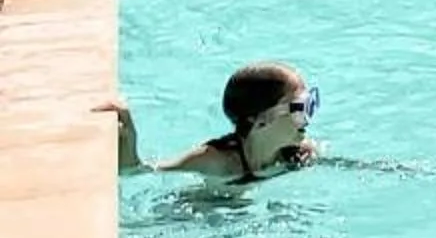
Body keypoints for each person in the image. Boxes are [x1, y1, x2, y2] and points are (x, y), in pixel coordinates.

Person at [104, 65, 319, 182]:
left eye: (310, 104)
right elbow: (135, 173)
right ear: (260, 121)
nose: (308, 116)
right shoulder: (215, 160)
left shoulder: (299, 155)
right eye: (299, 108)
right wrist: (129, 140)